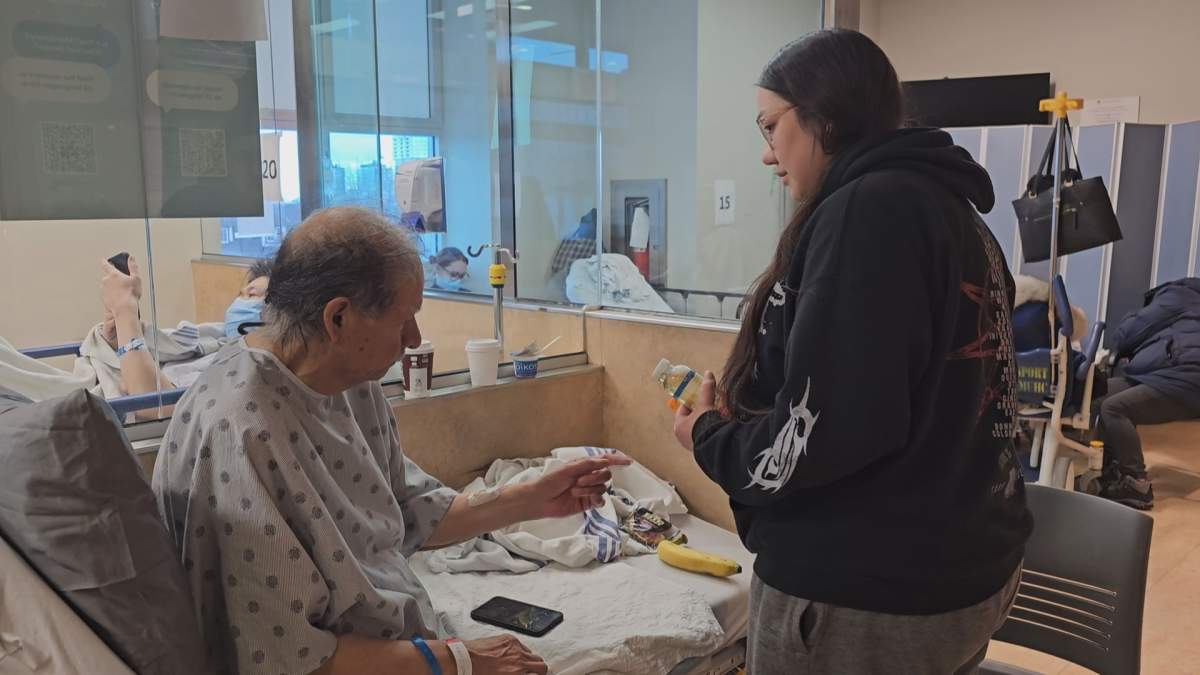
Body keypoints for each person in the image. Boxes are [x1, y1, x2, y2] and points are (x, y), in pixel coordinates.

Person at [670, 30, 1032, 674]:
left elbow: (828, 429)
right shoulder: (954, 213)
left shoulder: (869, 211)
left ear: (825, 117)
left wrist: (709, 437)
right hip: (961, 568)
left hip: (867, 593)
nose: (766, 154)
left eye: (771, 126)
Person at [152, 206, 629, 675]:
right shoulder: (239, 433)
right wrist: (460, 661)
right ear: (338, 319)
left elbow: (409, 513)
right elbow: (290, 659)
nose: (414, 338)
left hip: (403, 642)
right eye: (405, 320)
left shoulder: (349, 380)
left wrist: (532, 498)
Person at [98, 256, 272, 411]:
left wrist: (125, 311)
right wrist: (118, 339)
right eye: (240, 295)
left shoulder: (249, 367)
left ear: (277, 313)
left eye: (251, 295)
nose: (239, 302)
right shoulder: (216, 336)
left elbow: (154, 406)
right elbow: (166, 345)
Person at [1097, 277, 1200, 509]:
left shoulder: (1177, 295)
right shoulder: (1189, 301)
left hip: (1182, 379)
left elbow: (1124, 336)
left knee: (1114, 408)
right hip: (1171, 375)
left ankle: (1136, 483)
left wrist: (1132, 316)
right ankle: (1108, 470)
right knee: (1100, 392)